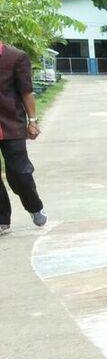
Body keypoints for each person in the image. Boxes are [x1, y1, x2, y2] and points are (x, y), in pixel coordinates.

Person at [0, 41, 45, 234]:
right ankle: (2, 220)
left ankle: (34, 207)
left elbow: (26, 91)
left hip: (10, 123)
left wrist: (32, 121)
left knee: (19, 172)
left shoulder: (16, 57)